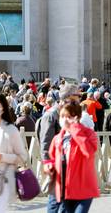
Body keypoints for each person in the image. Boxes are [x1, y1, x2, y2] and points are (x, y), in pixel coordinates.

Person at [47, 102, 99, 212]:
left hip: (84, 189)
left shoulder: (89, 134)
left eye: (69, 117)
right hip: (65, 189)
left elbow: (88, 152)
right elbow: (51, 157)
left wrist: (75, 129)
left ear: (77, 117)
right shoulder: (58, 138)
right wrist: (49, 166)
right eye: (62, 116)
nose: (65, 120)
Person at [37, 83, 81, 213]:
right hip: (56, 165)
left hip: (69, 166)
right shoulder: (51, 115)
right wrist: (48, 164)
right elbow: (46, 142)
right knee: (55, 202)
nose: (79, 99)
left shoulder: (69, 113)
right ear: (68, 97)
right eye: (77, 96)